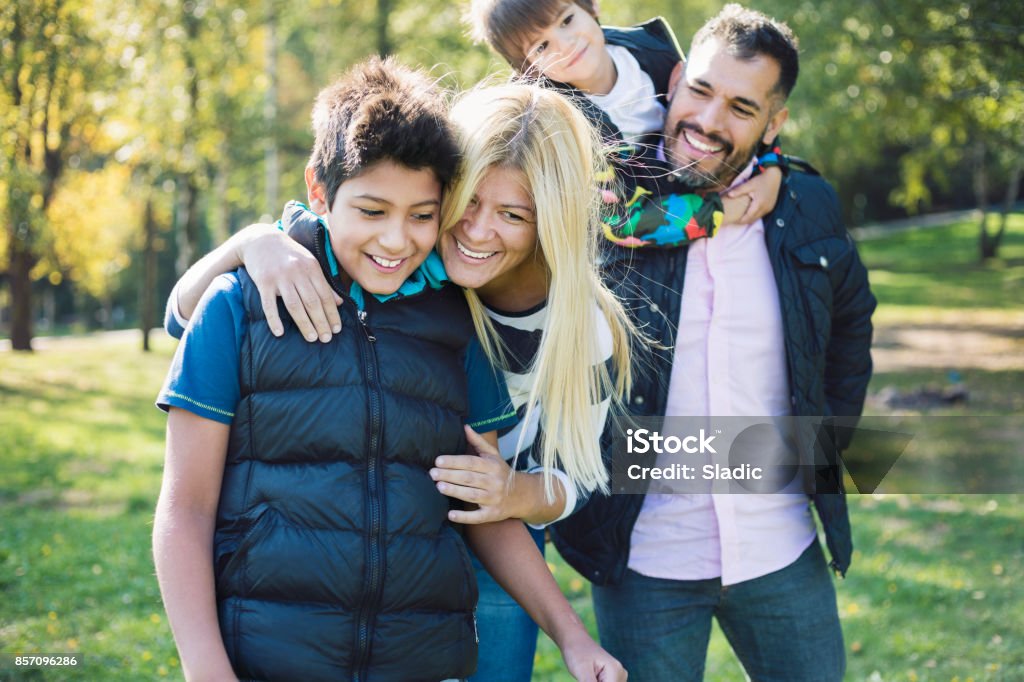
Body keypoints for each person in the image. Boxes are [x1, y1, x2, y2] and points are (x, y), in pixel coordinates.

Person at [152, 56, 625, 682]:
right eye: (373, 212)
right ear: (320, 193)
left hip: (420, 644)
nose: (398, 241)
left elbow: (490, 490)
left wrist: (572, 637)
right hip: (274, 649)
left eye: (421, 216)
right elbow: (185, 506)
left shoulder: (462, 324)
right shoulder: (240, 303)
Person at [550, 5, 877, 681]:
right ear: (673, 83)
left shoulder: (806, 204)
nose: (706, 120)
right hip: (643, 555)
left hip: (780, 547)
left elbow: (851, 327)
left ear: (772, 124)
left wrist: (822, 445)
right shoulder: (606, 205)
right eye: (699, 89)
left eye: (739, 105)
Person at [467, 0, 790, 238]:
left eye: (566, 20)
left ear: (590, 7)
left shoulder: (653, 49)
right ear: (528, 69)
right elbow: (620, 220)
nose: (567, 44)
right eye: (542, 46)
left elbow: (738, 104)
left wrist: (773, 165)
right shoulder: (561, 125)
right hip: (661, 227)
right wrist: (721, 212)